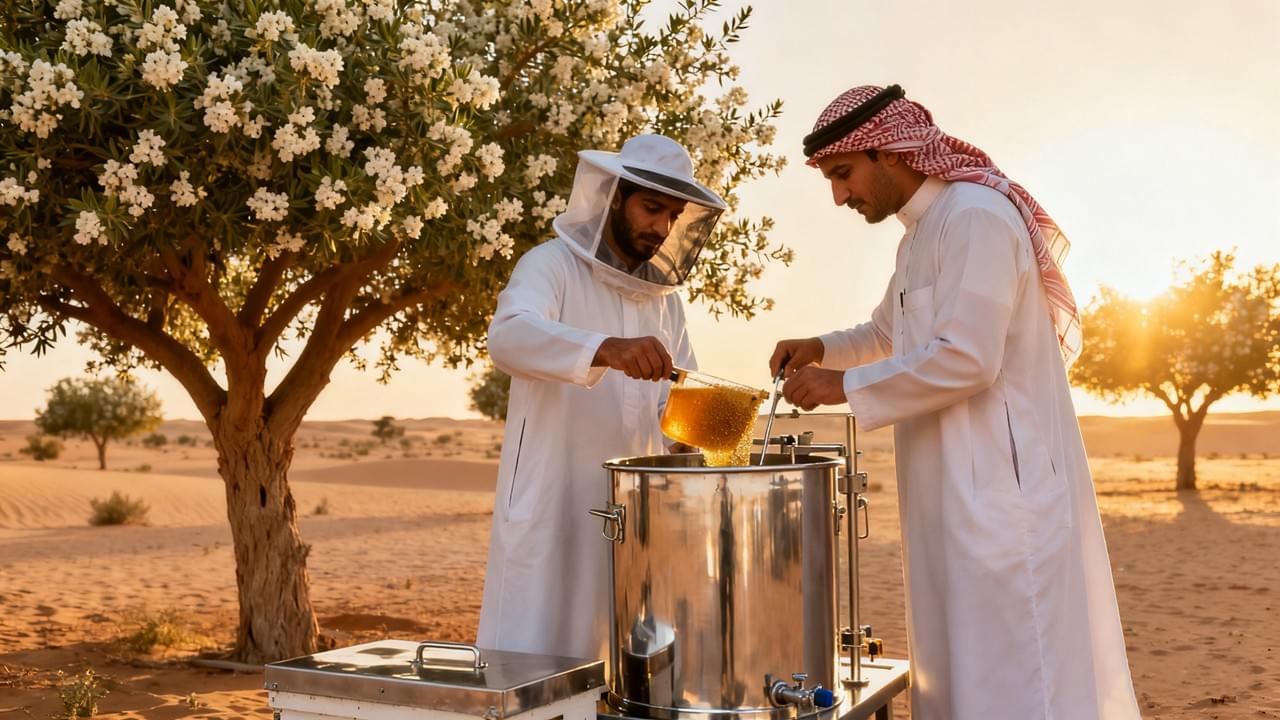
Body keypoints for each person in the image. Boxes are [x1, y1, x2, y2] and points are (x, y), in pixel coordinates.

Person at [769, 85, 1140, 719]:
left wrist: (843, 386)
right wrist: (821, 348)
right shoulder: (920, 235)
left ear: (890, 152)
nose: (839, 196)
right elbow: (887, 332)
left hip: (1001, 501)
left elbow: (969, 357)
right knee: (961, 678)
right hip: (950, 497)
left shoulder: (975, 217)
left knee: (1015, 683)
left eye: (843, 173)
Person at [477, 134, 727, 664]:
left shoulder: (665, 302)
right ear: (615, 197)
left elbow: (680, 401)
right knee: (534, 664)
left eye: (672, 215)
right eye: (651, 208)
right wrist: (605, 349)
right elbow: (508, 337)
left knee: (625, 668)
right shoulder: (550, 266)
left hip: (636, 517)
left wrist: (704, 443)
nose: (662, 227)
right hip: (554, 504)